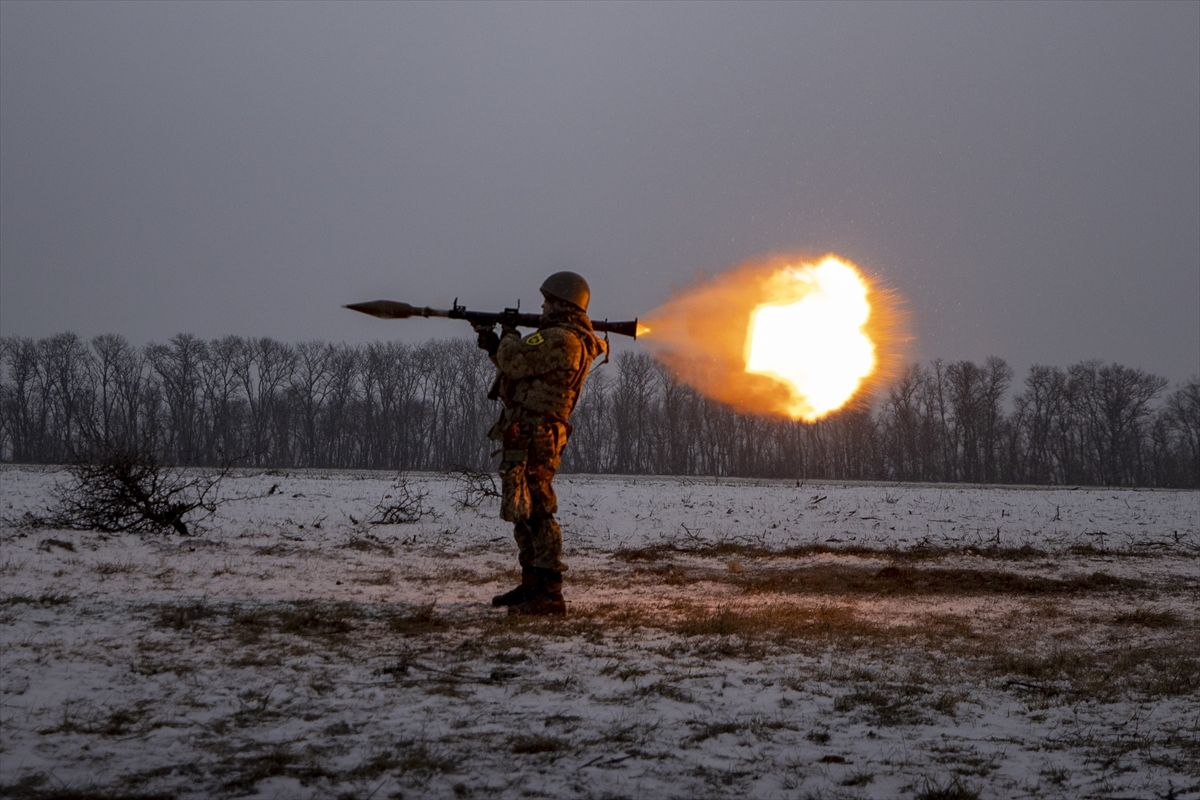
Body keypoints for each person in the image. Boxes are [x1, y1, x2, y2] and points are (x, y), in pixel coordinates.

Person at [473, 271, 607, 615]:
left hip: (539, 432)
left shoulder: (563, 339)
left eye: (547, 301)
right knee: (524, 508)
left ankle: (549, 592)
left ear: (562, 304)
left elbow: (515, 361)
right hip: (529, 430)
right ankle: (532, 582)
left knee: (538, 509)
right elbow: (520, 370)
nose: (543, 307)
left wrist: (509, 332)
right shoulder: (560, 339)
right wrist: (494, 343)